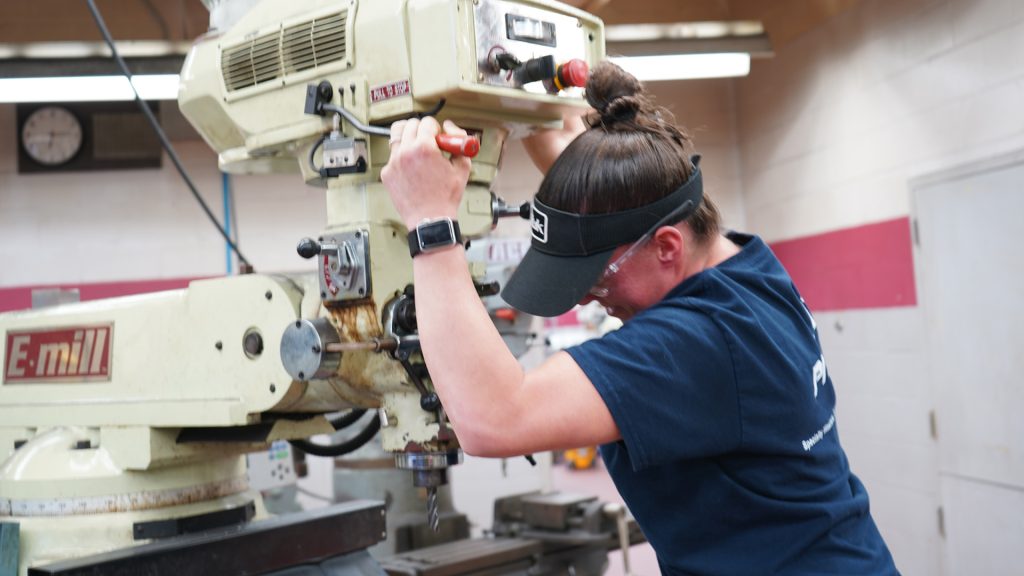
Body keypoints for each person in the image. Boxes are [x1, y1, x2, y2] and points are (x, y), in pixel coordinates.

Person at [381, 62, 899, 575]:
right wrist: (539, 116)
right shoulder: (747, 267)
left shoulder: (698, 343)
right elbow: (608, 208)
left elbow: (492, 419)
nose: (586, 300)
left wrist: (429, 222)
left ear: (668, 246)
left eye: (596, 279)